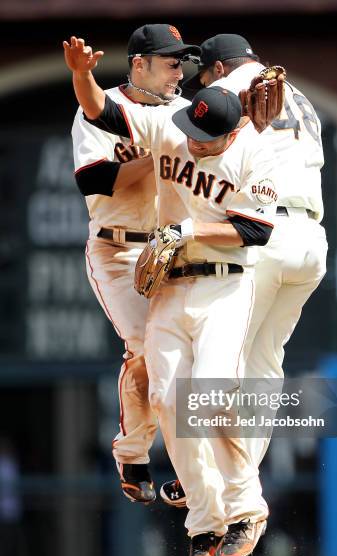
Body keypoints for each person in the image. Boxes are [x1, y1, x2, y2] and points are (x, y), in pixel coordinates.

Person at [63, 34, 281, 556]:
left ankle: (246, 509)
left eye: (204, 134)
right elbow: (102, 111)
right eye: (188, 127)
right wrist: (80, 75)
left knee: (207, 396)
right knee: (168, 399)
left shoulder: (255, 150)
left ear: (230, 132)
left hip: (223, 286)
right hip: (165, 284)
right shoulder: (176, 128)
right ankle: (204, 523)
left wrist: (185, 229)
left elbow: (254, 230)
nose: (190, 140)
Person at [161, 34, 328, 503]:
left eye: (203, 77)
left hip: (263, 235)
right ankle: (240, 478)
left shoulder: (227, 90)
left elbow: (193, 151)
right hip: (311, 239)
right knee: (263, 366)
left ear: (216, 68)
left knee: (216, 362)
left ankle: (205, 478)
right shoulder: (301, 97)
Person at [71, 25, 200, 504]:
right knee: (145, 346)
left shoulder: (186, 113)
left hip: (173, 248)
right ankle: (133, 452)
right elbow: (96, 180)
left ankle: (189, 469)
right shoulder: (99, 107)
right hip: (118, 248)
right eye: (170, 62)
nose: (178, 72)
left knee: (184, 358)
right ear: (140, 63)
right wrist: (163, 153)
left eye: (181, 62)